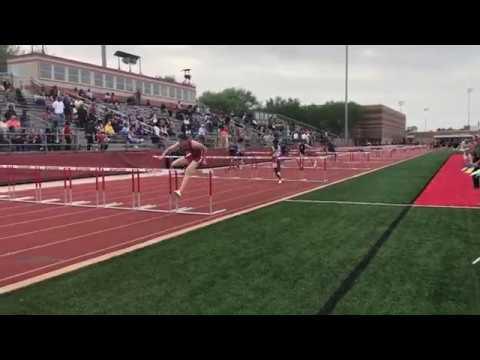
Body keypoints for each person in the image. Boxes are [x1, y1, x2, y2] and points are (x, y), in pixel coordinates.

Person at [153, 134, 207, 198]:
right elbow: (169, 149)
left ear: (186, 140)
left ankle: (180, 191)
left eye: (181, 141)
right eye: (179, 141)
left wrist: (204, 159)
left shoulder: (194, 144)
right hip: (191, 156)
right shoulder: (179, 143)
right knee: (173, 164)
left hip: (198, 157)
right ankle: (196, 171)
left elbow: (205, 149)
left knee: (188, 171)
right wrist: (162, 156)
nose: (180, 142)